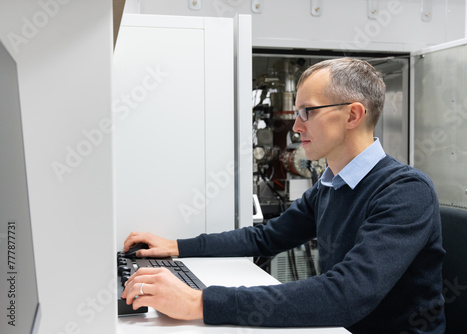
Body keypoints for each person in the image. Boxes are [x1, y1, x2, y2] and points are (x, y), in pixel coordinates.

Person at [121, 57, 446, 333]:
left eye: (308, 112)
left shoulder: (404, 192)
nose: (295, 127)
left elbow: (347, 294)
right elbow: (266, 237)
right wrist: (176, 247)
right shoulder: (330, 185)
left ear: (352, 115)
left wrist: (200, 302)